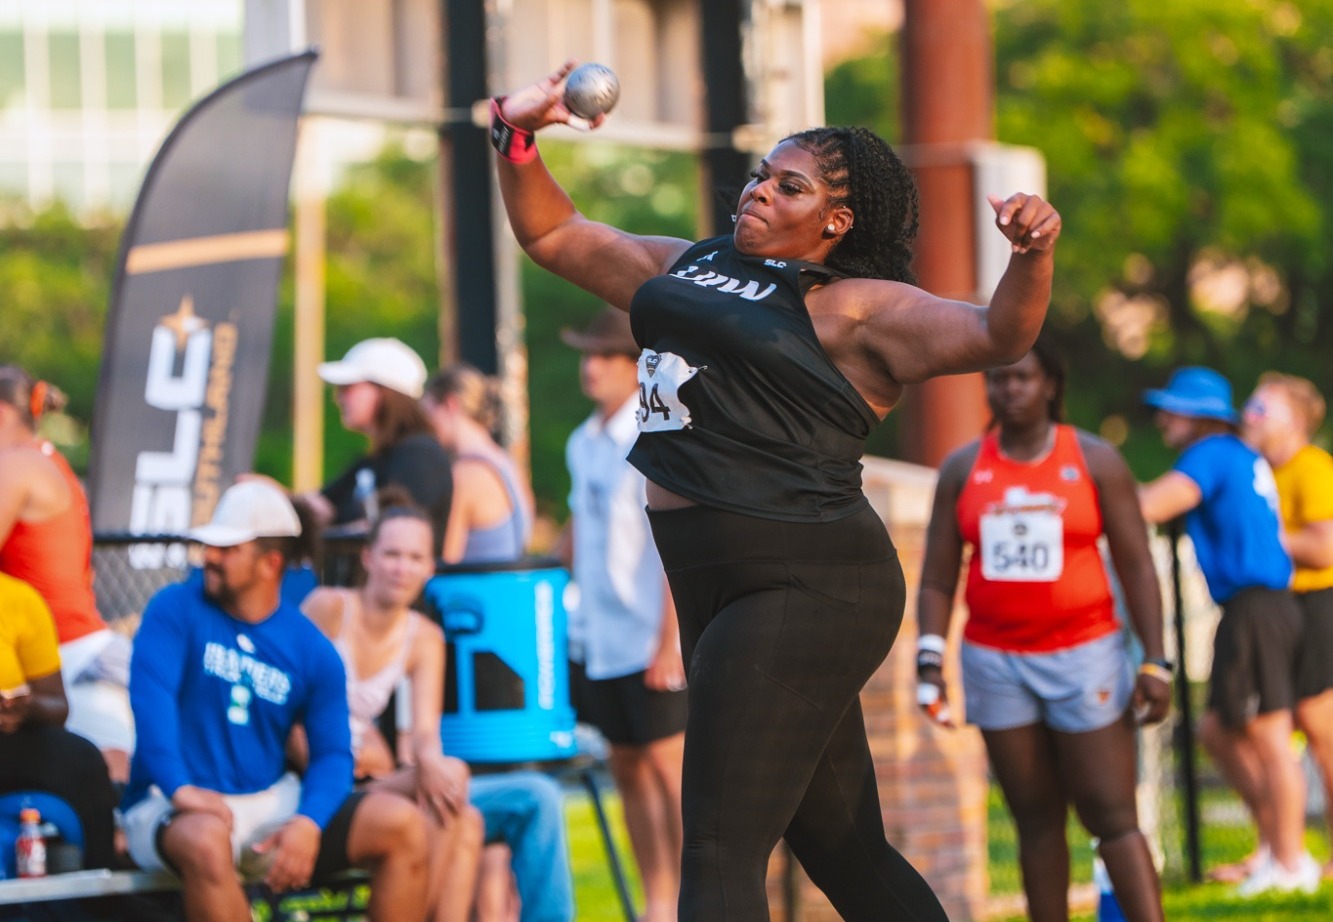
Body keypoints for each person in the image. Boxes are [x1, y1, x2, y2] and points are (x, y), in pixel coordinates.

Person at [491, 61, 1060, 919]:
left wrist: (1031, 253)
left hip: (806, 581)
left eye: (786, 187)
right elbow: (556, 238)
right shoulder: (692, 265)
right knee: (845, 850)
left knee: (718, 846)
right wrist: (516, 135)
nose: (756, 192)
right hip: (714, 583)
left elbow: (995, 332)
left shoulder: (858, 309)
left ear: (834, 220)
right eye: (760, 176)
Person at [915, 338, 1169, 922]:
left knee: (1110, 816)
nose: (1010, 390)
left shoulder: (1095, 459)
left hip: (1086, 655)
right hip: (995, 661)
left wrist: (1156, 660)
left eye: (1023, 378)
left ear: (1050, 384)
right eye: (998, 380)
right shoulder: (963, 468)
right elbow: (936, 578)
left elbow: (1136, 566)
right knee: (1034, 816)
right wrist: (931, 659)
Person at [122, 480, 430, 921]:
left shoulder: (311, 650)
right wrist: (183, 790)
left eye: (228, 549)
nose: (210, 556)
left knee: (403, 826)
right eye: (212, 546)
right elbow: (152, 713)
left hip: (266, 804)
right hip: (165, 803)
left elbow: (332, 756)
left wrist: (308, 823)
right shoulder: (173, 610)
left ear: (269, 563)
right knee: (207, 838)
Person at [1138, 366, 1318, 895]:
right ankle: (1274, 848)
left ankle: (1289, 865)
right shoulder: (1238, 453)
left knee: (1269, 737)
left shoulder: (1212, 452)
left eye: (1172, 408)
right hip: (1250, 607)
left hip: (1258, 605)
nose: (1162, 417)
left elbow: (1152, 504)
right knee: (1218, 729)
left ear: (1200, 417)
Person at [422, 367, 574, 922]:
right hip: (516, 682)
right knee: (503, 817)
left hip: (475, 675)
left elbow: (442, 564)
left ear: (448, 406)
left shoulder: (463, 472)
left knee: (475, 805)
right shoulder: (508, 467)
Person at [300, 502, 483, 922]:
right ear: (368, 557)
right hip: (315, 770)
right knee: (464, 819)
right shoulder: (328, 607)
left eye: (415, 557)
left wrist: (431, 761)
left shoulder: (426, 638)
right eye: (392, 554)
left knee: (454, 788)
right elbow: (287, 709)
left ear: (429, 568)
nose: (402, 568)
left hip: (368, 777)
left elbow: (424, 734)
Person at [561, 308, 686, 922]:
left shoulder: (654, 433)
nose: (590, 367)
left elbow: (673, 544)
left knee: (670, 769)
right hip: (601, 636)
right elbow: (578, 531)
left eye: (605, 355)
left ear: (634, 367)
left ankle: (702, 900)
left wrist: (670, 640)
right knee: (627, 767)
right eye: (587, 354)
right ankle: (657, 903)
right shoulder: (582, 442)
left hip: (650, 632)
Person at [0, 365, 134, 782]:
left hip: (70, 659)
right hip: (79, 653)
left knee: (107, 800)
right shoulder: (45, 459)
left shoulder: (16, 464)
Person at [1241, 372, 1333, 879]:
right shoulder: (1255, 469)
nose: (1249, 415)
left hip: (1317, 603)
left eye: (1262, 408)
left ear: (1295, 422)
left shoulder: (1313, 467)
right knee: (1251, 730)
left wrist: (1260, 530)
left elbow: (1325, 546)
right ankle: (1276, 851)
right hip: (1276, 607)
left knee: (1322, 731)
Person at [0, 570, 117, 872]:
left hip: (7, 741)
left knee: (82, 759)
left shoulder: (18, 599)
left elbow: (56, 706)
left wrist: (23, 707)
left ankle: (97, 895)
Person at [304, 337, 453, 556]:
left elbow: (393, 534)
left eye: (348, 388)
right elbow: (322, 507)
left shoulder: (420, 457)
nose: (338, 398)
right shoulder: (376, 460)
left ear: (385, 392)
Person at [422, 364, 535, 565]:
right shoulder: (506, 463)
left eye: (429, 413)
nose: (427, 427)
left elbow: (448, 562)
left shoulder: (466, 474)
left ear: (450, 404)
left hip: (473, 592)